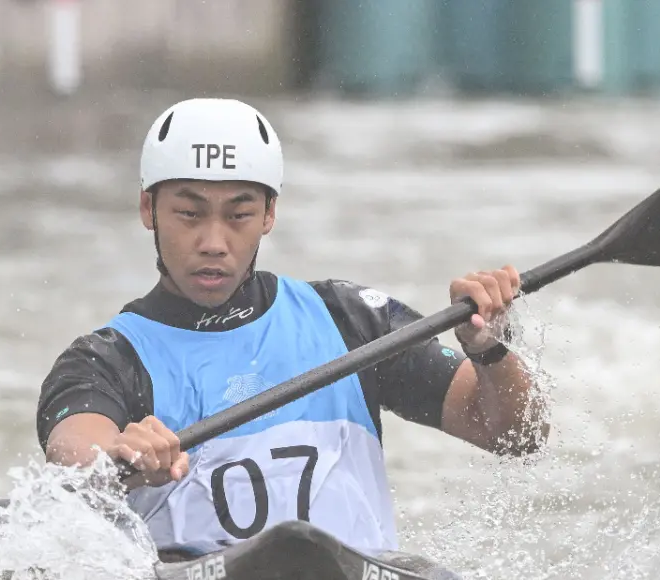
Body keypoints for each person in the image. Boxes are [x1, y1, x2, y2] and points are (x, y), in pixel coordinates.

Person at [37, 98, 549, 555]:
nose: (214, 241)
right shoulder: (106, 358)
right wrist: (118, 454)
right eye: (189, 213)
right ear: (149, 209)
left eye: (238, 215)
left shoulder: (352, 321)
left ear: (269, 215)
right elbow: (74, 450)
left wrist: (488, 351)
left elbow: (517, 436)